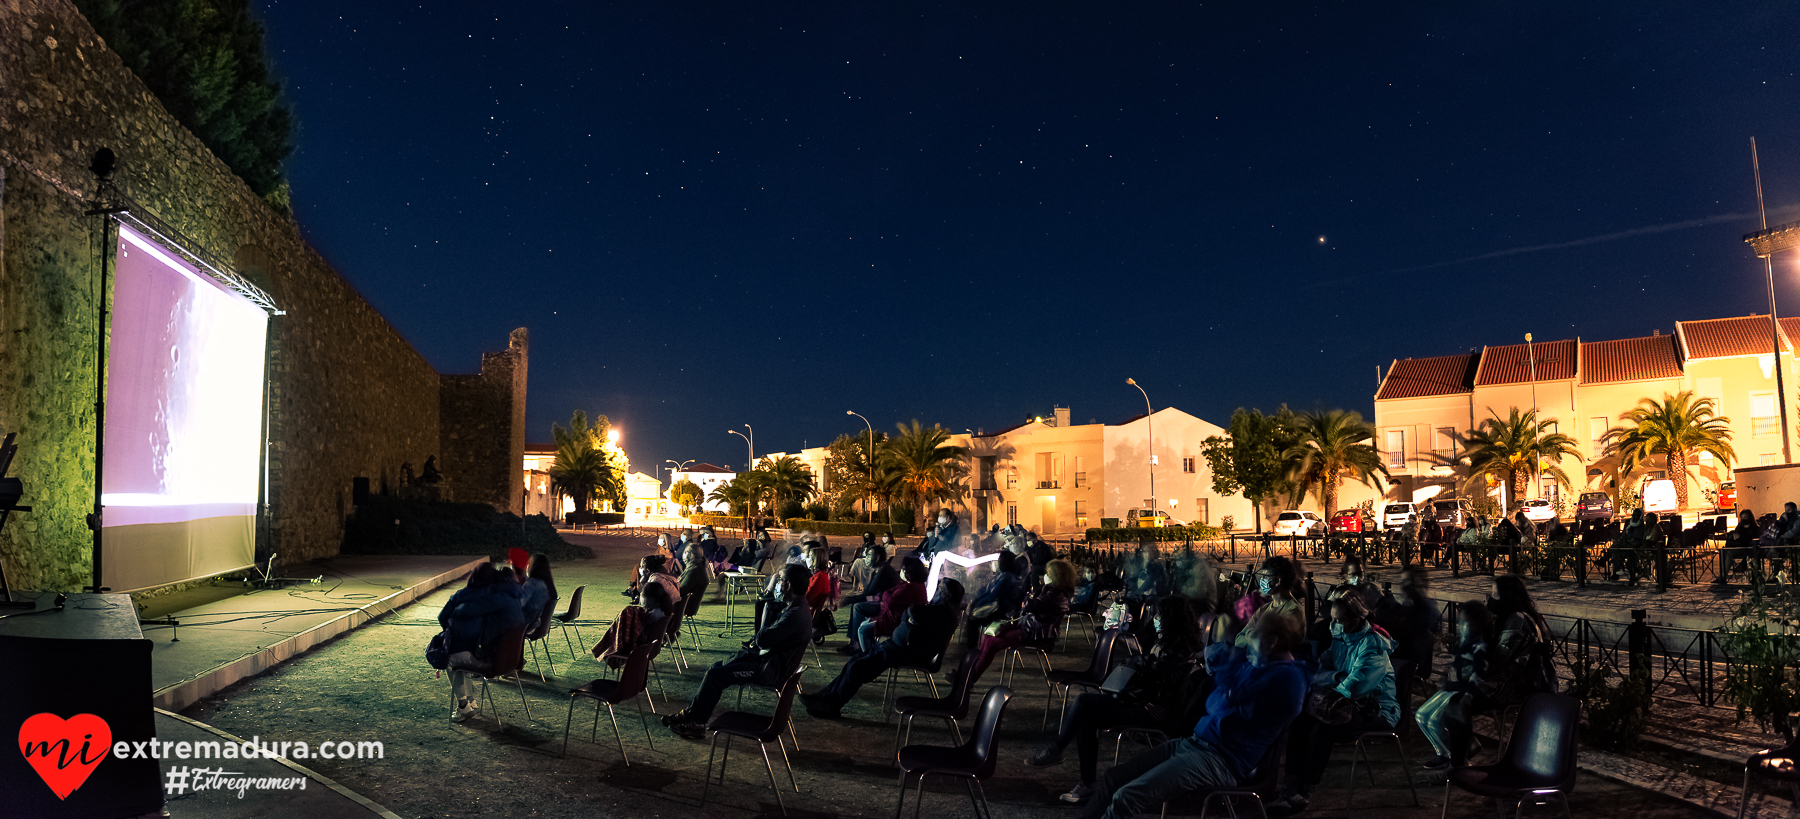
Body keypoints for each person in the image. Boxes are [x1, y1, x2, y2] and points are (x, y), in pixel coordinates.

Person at [1077, 606, 1308, 819]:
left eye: (1252, 644)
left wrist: (1228, 679)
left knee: (1126, 797)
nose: (1247, 651)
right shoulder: (1258, 665)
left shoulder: (1287, 679)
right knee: (1112, 779)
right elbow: (1214, 703)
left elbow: (1223, 700)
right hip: (1196, 744)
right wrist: (1228, 684)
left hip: (1221, 761)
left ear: (1271, 643)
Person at [1028, 596, 1211, 804]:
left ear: (1171, 619)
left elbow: (1156, 672)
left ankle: (1060, 755)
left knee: (1084, 704)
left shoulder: (1181, 648)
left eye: (1160, 616)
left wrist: (1137, 662)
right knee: (1085, 713)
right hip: (1142, 701)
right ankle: (1082, 780)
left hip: (1153, 711)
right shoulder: (1169, 640)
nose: (1155, 619)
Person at [1270, 597, 1399, 815]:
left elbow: (1355, 687)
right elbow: (1319, 672)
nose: (1333, 625)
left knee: (1324, 729)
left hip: (1376, 709)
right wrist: (1338, 676)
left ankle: (1305, 789)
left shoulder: (1372, 645)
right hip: (1341, 703)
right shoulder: (1341, 639)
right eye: (1332, 619)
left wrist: (1332, 681)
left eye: (1338, 620)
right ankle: (1290, 786)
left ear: (1355, 619)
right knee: (1300, 721)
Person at [663, 563, 814, 740]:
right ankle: (691, 715)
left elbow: (762, 638)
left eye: (780, 580)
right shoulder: (797, 606)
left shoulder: (794, 614)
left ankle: (696, 723)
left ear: (788, 585)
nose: (777, 584)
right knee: (717, 668)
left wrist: (767, 602)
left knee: (715, 675)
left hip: (770, 671)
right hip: (769, 662)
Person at [801, 580, 964, 718]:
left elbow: (914, 610)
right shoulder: (942, 608)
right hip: (900, 648)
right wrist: (909, 616)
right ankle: (824, 697)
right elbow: (913, 614)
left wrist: (909, 614)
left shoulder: (944, 611)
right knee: (855, 661)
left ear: (948, 595)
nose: (936, 590)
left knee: (858, 668)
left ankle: (831, 706)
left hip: (906, 653)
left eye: (940, 589)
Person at [440, 564, 526, 722]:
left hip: (492, 660)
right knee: (463, 655)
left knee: (450, 660)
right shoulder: (514, 597)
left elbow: (467, 610)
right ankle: (471, 701)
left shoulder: (498, 599)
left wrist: (456, 608)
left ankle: (464, 706)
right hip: (509, 660)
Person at [1415, 600, 1495, 769]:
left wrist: (1465, 692)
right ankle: (1446, 751)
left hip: (1460, 691)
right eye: (1460, 623)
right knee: (1421, 715)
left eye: (1465, 623)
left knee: (1435, 720)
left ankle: (1454, 757)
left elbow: (1478, 676)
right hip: (1451, 688)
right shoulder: (1466, 644)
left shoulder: (1481, 647)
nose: (1461, 627)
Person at [968, 558, 1075, 682]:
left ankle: (969, 679)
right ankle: (969, 672)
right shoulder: (1055, 593)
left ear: (1055, 577)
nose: (1044, 576)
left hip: (1035, 634)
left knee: (992, 643)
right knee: (989, 634)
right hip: (1030, 627)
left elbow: (1028, 605)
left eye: (1048, 574)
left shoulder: (1055, 595)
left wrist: (1034, 591)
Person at [1487, 574, 1557, 705]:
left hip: (1521, 689)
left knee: (1459, 700)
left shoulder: (1517, 620)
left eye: (1495, 594)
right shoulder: (1512, 617)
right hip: (1513, 683)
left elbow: (1499, 658)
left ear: (1507, 597)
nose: (1490, 599)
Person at [844, 556, 929, 654]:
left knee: (863, 629)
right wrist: (886, 594)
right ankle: (871, 650)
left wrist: (885, 594)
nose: (902, 572)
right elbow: (890, 593)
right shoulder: (913, 585)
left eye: (904, 569)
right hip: (896, 616)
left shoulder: (910, 588)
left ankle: (868, 657)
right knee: (861, 619)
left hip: (896, 621)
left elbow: (889, 601)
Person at [1375, 564, 1441, 685]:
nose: (1404, 586)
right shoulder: (1408, 605)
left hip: (1412, 660)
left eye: (1408, 582)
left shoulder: (1424, 609)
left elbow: (1409, 633)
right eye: (1403, 581)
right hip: (1402, 653)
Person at [591, 582, 674, 669]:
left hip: (643, 648)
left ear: (651, 599)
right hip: (651, 647)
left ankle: (609, 648)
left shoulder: (655, 614)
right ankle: (609, 646)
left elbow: (641, 627)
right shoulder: (660, 611)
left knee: (628, 612)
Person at [964, 549, 1030, 648]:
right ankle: (971, 647)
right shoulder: (1004, 575)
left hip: (1002, 609)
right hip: (999, 605)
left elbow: (993, 595)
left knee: (973, 619)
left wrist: (975, 604)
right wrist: (974, 602)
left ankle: (971, 648)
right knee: (972, 617)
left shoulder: (1007, 577)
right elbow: (988, 592)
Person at [1232, 556, 1304, 624]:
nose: (1262, 580)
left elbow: (1266, 636)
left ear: (1278, 581)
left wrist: (1249, 634)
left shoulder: (1293, 612)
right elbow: (1240, 635)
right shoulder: (1264, 608)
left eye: (1266, 577)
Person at [1717, 508, 1762, 583]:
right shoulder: (1740, 527)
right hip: (1738, 546)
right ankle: (1720, 576)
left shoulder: (1755, 528)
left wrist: (1740, 537)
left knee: (1729, 553)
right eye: (1742, 518)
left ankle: (1723, 576)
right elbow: (1734, 533)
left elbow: (1752, 541)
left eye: (1746, 518)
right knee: (1722, 552)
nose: (1744, 519)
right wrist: (1733, 536)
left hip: (1747, 549)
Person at [521, 553, 557, 640]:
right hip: (535, 624)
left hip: (525, 625)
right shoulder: (547, 585)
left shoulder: (532, 584)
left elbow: (519, 603)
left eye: (529, 565)